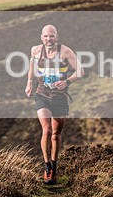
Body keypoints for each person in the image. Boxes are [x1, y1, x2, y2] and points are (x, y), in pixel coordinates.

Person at [25, 24, 80, 185]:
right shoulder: (35, 51)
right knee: (46, 130)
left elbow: (80, 71)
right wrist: (29, 83)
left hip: (60, 97)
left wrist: (67, 82)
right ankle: (47, 166)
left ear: (57, 37)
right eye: (46, 36)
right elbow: (31, 66)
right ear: (41, 37)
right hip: (42, 94)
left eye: (52, 36)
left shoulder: (65, 52)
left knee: (56, 134)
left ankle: (55, 165)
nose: (49, 39)